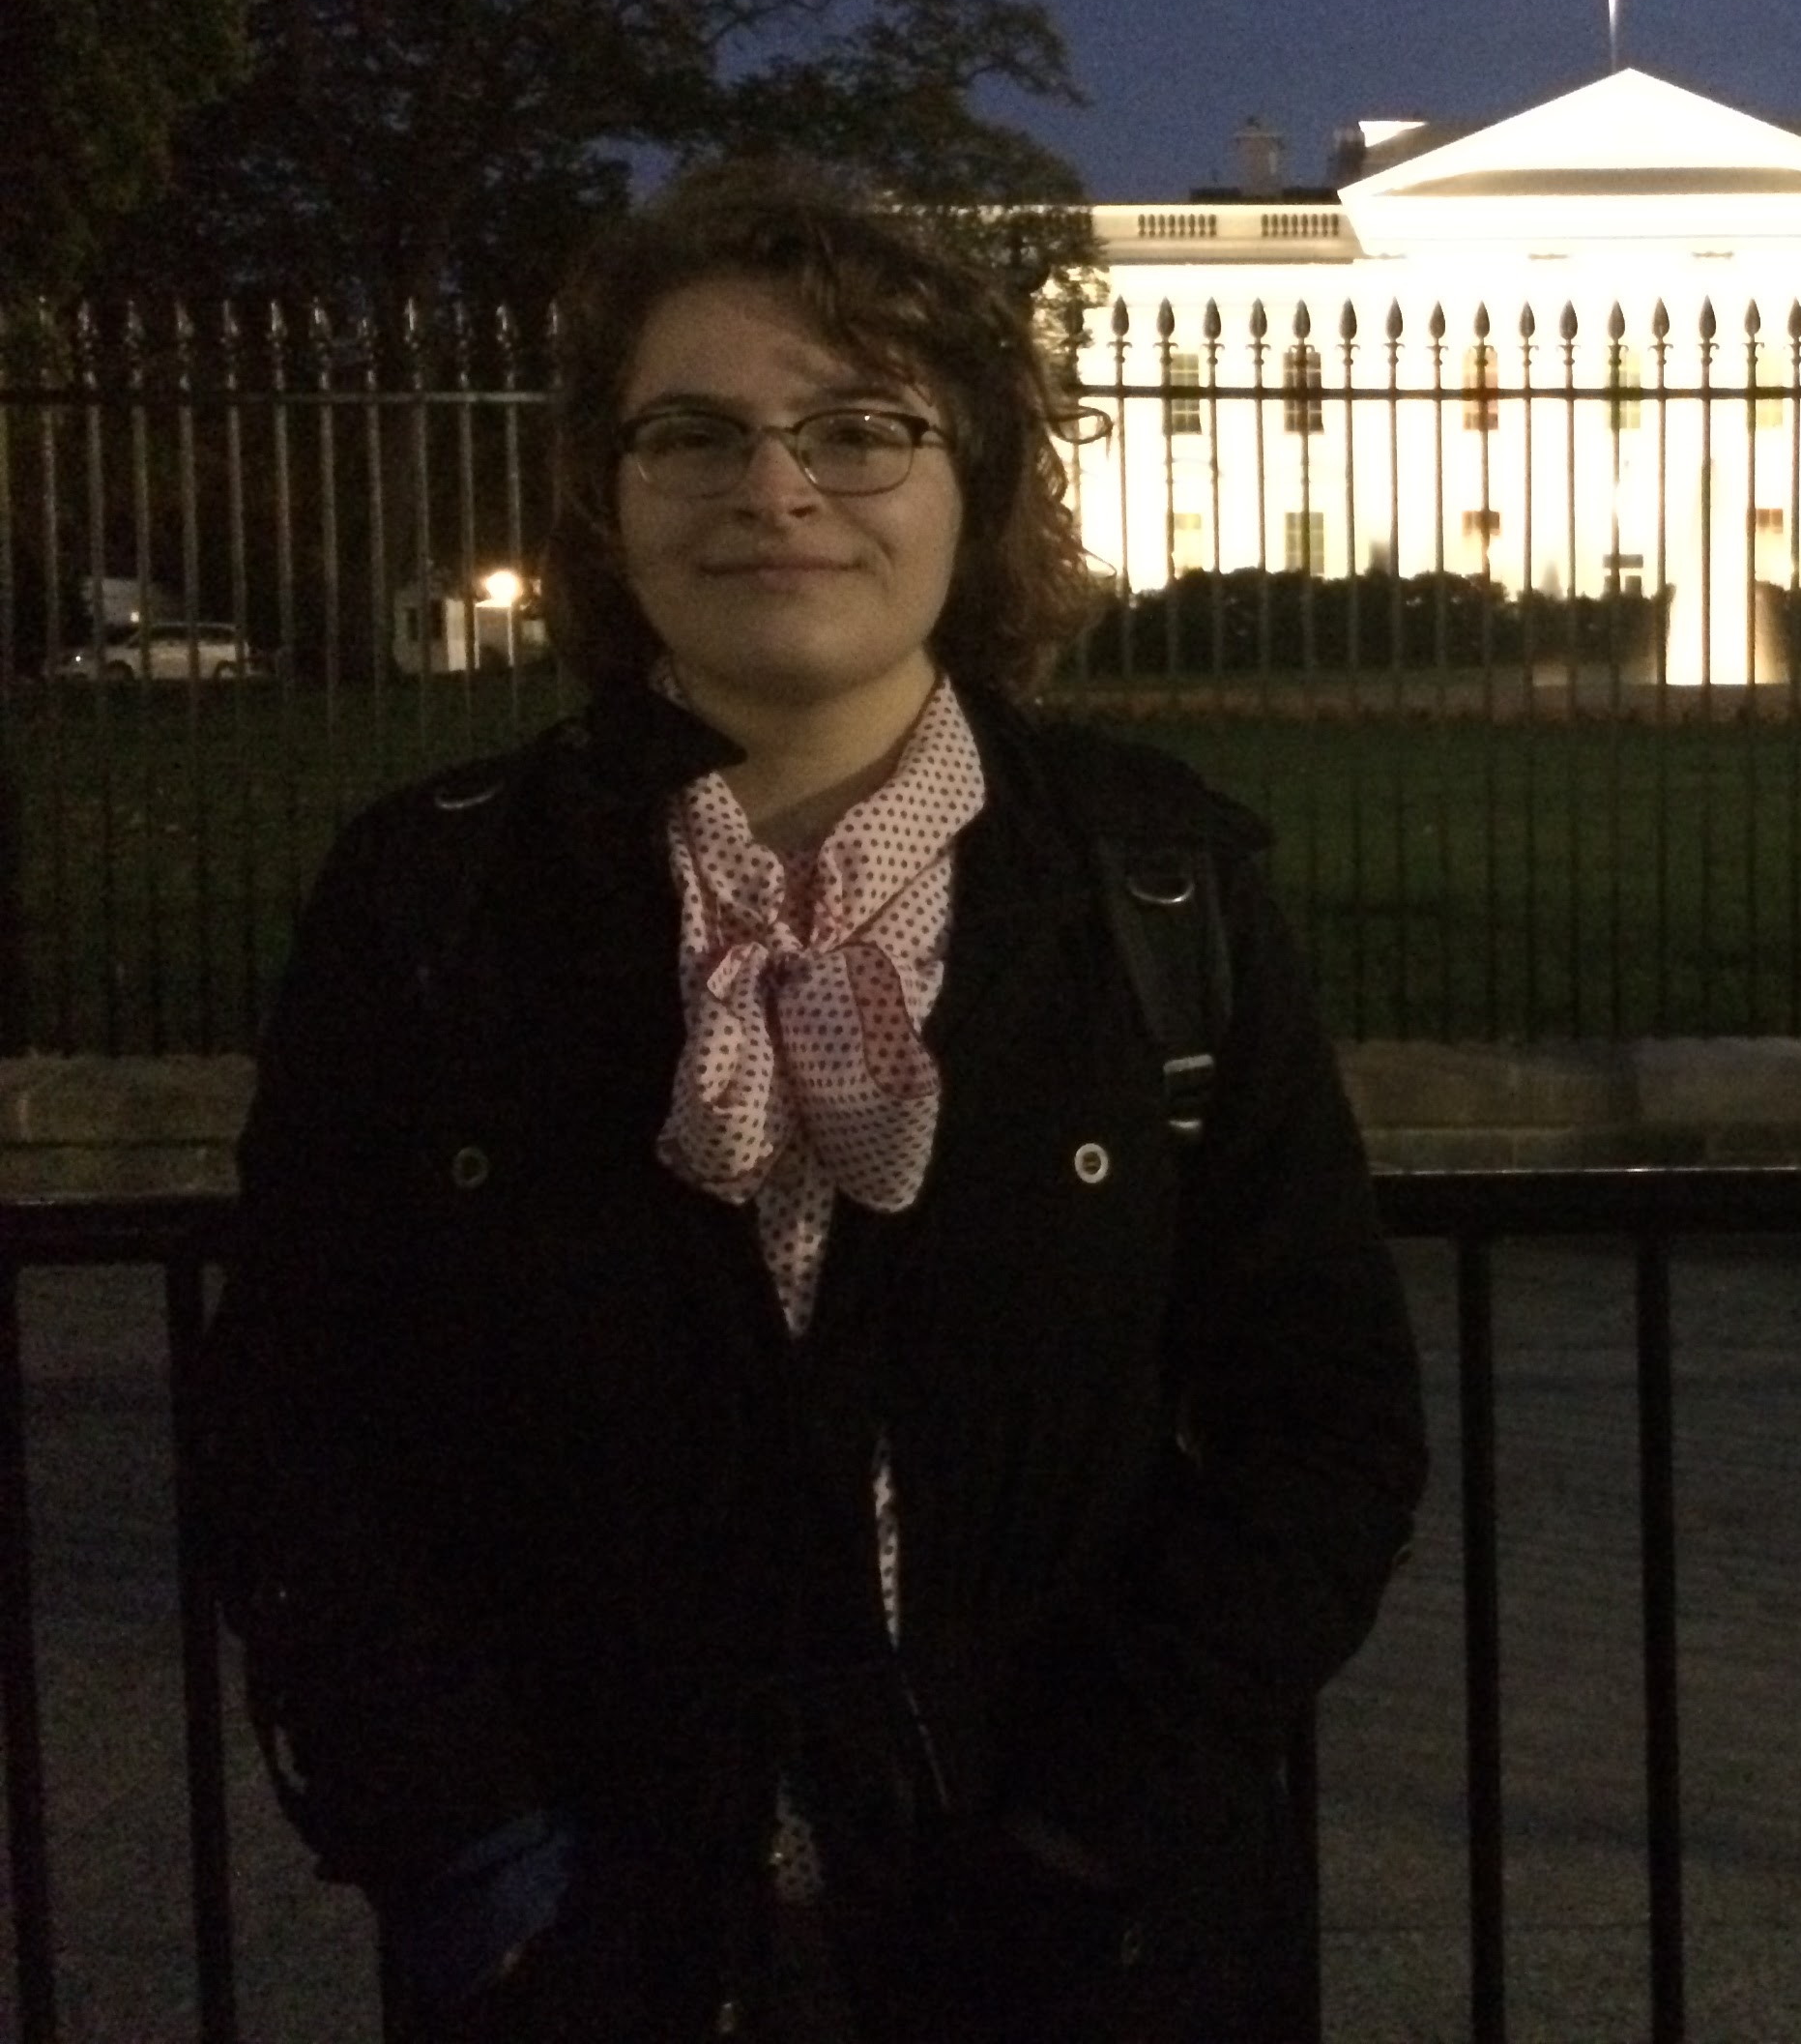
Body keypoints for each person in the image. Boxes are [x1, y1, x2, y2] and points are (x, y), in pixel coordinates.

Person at [199, 161, 1428, 2042]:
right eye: (692, 435)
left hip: (1063, 1931)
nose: (775, 489)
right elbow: (302, 1416)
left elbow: (1321, 1420)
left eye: (858, 428)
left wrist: (1095, 1833)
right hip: (583, 1921)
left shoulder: (1152, 892)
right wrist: (472, 1847)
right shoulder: (436, 902)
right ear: (608, 505)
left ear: (976, 483)